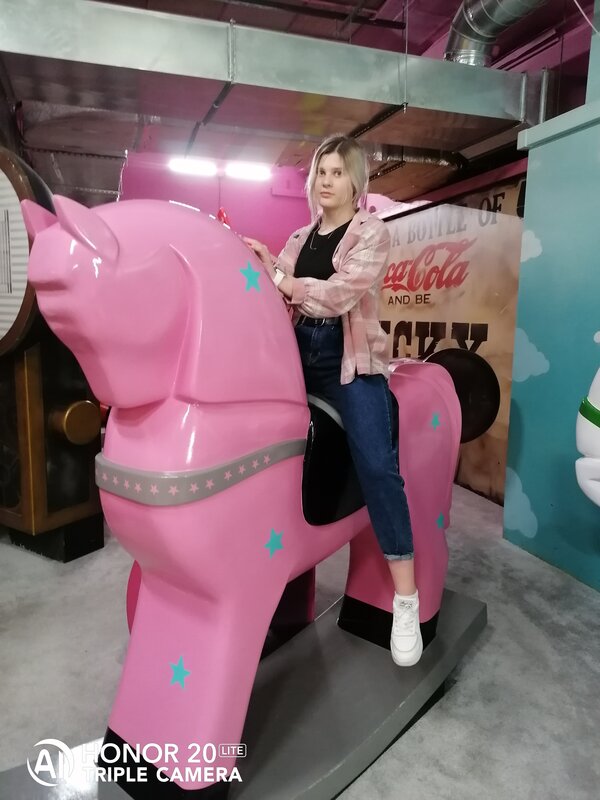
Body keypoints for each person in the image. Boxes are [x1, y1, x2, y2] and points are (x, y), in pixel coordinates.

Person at [243, 134, 422, 667]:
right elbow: (278, 295)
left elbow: (340, 294)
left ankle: (406, 599)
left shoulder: (371, 232)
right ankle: (271, 579)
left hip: (348, 358)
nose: (326, 181)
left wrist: (280, 276)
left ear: (356, 181)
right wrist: (260, 269)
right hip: (298, 349)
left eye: (337, 172)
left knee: (378, 465)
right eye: (321, 172)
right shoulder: (300, 237)